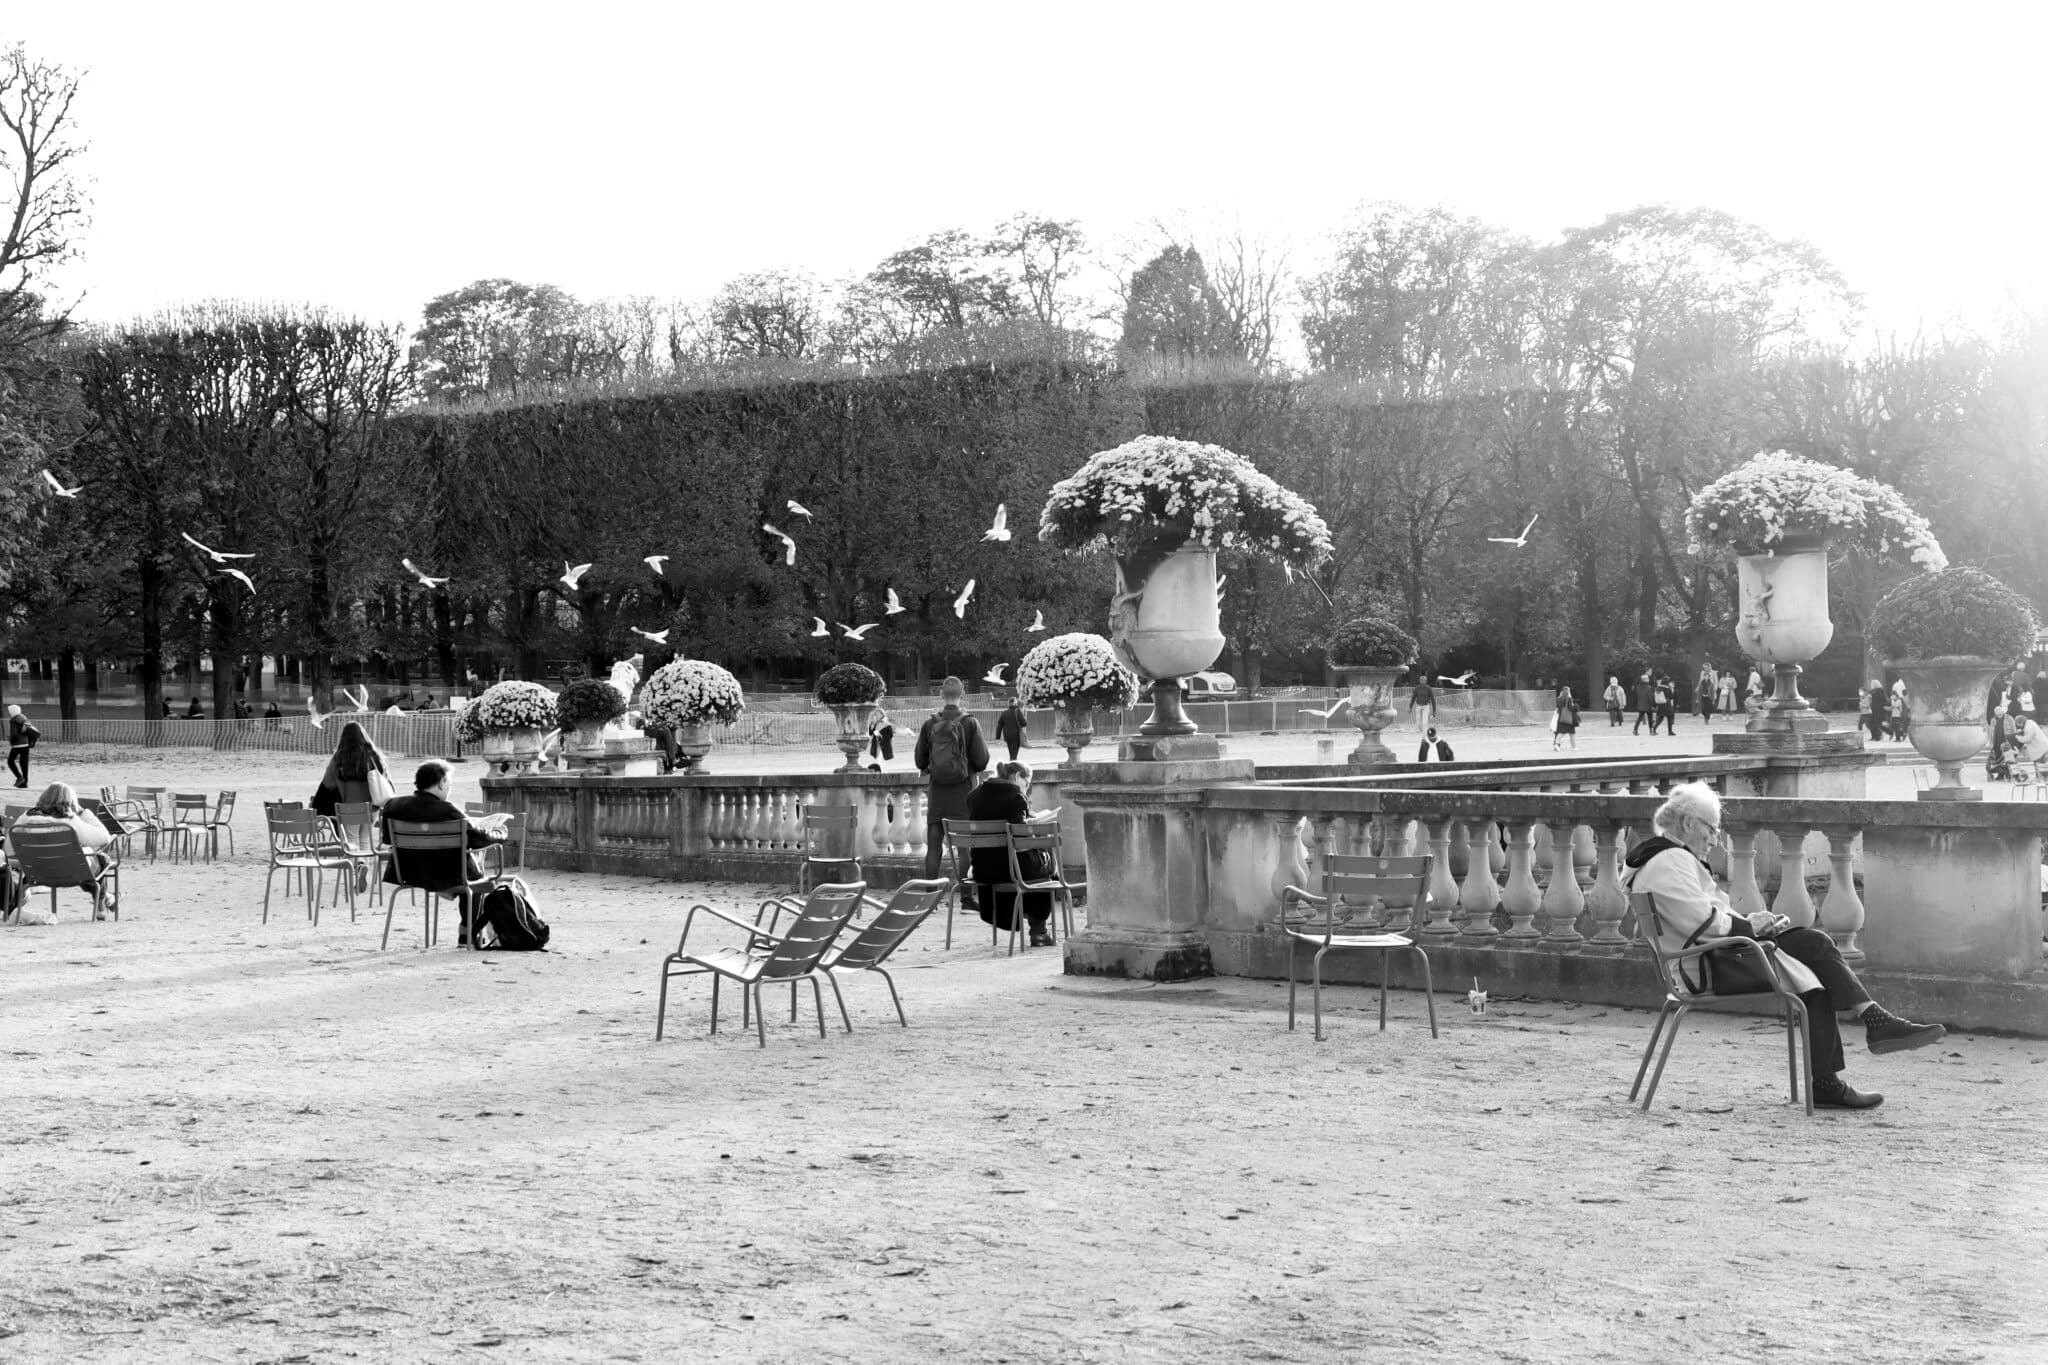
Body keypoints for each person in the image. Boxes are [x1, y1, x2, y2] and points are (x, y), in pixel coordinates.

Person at [1622, 781, 1944, 1110]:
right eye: (1712, 829)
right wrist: (1750, 926)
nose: (1716, 839)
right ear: (1688, 824)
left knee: (1815, 956)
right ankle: (1858, 1043)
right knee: (1815, 964)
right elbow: (1701, 923)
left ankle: (1869, 1030)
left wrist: (1751, 921)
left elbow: (1699, 917)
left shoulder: (1662, 858)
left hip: (1708, 958)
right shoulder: (1671, 862)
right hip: (1707, 967)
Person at [377, 761, 509, 924]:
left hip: (408, 873)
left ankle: (452, 900)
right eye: (449, 784)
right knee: (475, 876)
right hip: (448, 874)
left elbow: (387, 839)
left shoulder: (393, 805)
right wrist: (501, 833)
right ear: (441, 784)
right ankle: (467, 930)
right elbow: (479, 839)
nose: (449, 789)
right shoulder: (448, 810)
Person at [964, 760, 1059, 947]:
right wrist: (1037, 829)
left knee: (1034, 864)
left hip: (982, 868)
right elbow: (1020, 842)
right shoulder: (1015, 797)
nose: (1026, 788)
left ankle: (1030, 921)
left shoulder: (974, 796)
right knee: (1047, 865)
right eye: (1027, 783)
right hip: (1009, 869)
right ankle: (1039, 930)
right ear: (1017, 777)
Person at [6, 781, 116, 921]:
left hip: (36, 873)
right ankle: (101, 908)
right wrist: (83, 812)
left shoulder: (24, 818)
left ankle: (108, 898)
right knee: (100, 859)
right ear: (70, 802)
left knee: (79, 860)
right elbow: (104, 837)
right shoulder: (70, 821)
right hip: (72, 873)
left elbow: (8, 850)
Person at [915, 676, 990, 881]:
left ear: (941, 695)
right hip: (964, 793)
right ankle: (965, 896)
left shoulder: (930, 724)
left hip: (937, 793)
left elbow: (919, 761)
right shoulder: (970, 723)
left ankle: (930, 894)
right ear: (962, 694)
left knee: (933, 846)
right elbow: (982, 761)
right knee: (964, 849)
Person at [310, 720, 393, 817]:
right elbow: (388, 782)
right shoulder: (374, 757)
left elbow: (327, 784)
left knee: (349, 832)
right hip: (372, 808)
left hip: (348, 809)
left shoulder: (338, 759)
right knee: (367, 832)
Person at [6, 703, 38, 788]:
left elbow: (14, 734)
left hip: (17, 745)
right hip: (26, 744)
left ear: (13, 711)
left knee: (10, 761)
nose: (8, 713)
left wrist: (11, 741)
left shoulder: (13, 720)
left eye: (9, 711)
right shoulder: (24, 718)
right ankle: (25, 783)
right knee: (24, 763)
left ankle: (19, 778)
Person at [993, 697, 1027, 761]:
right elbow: (1024, 723)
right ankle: (1012, 766)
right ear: (1015, 703)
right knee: (1014, 755)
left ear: (1009, 703)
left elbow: (999, 726)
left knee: (1011, 753)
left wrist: (997, 737)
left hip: (1007, 736)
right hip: (1016, 736)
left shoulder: (1004, 713)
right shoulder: (1018, 711)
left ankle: (1011, 765)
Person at [1551, 684, 1579, 751]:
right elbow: (1571, 708)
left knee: (1561, 733)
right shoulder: (1568, 699)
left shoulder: (1559, 699)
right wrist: (1576, 706)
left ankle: (1556, 745)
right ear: (1568, 692)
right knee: (1572, 733)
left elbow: (1557, 708)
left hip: (1561, 718)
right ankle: (1573, 747)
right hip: (1569, 719)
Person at [1631, 671, 1655, 736]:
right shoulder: (1649, 688)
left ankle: (1635, 729)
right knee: (1650, 718)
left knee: (1640, 718)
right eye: (1648, 679)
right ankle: (1651, 731)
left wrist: (1636, 704)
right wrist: (1653, 705)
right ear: (1646, 680)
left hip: (1640, 705)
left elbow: (1636, 696)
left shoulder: (1638, 687)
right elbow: (1650, 698)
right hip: (1648, 706)